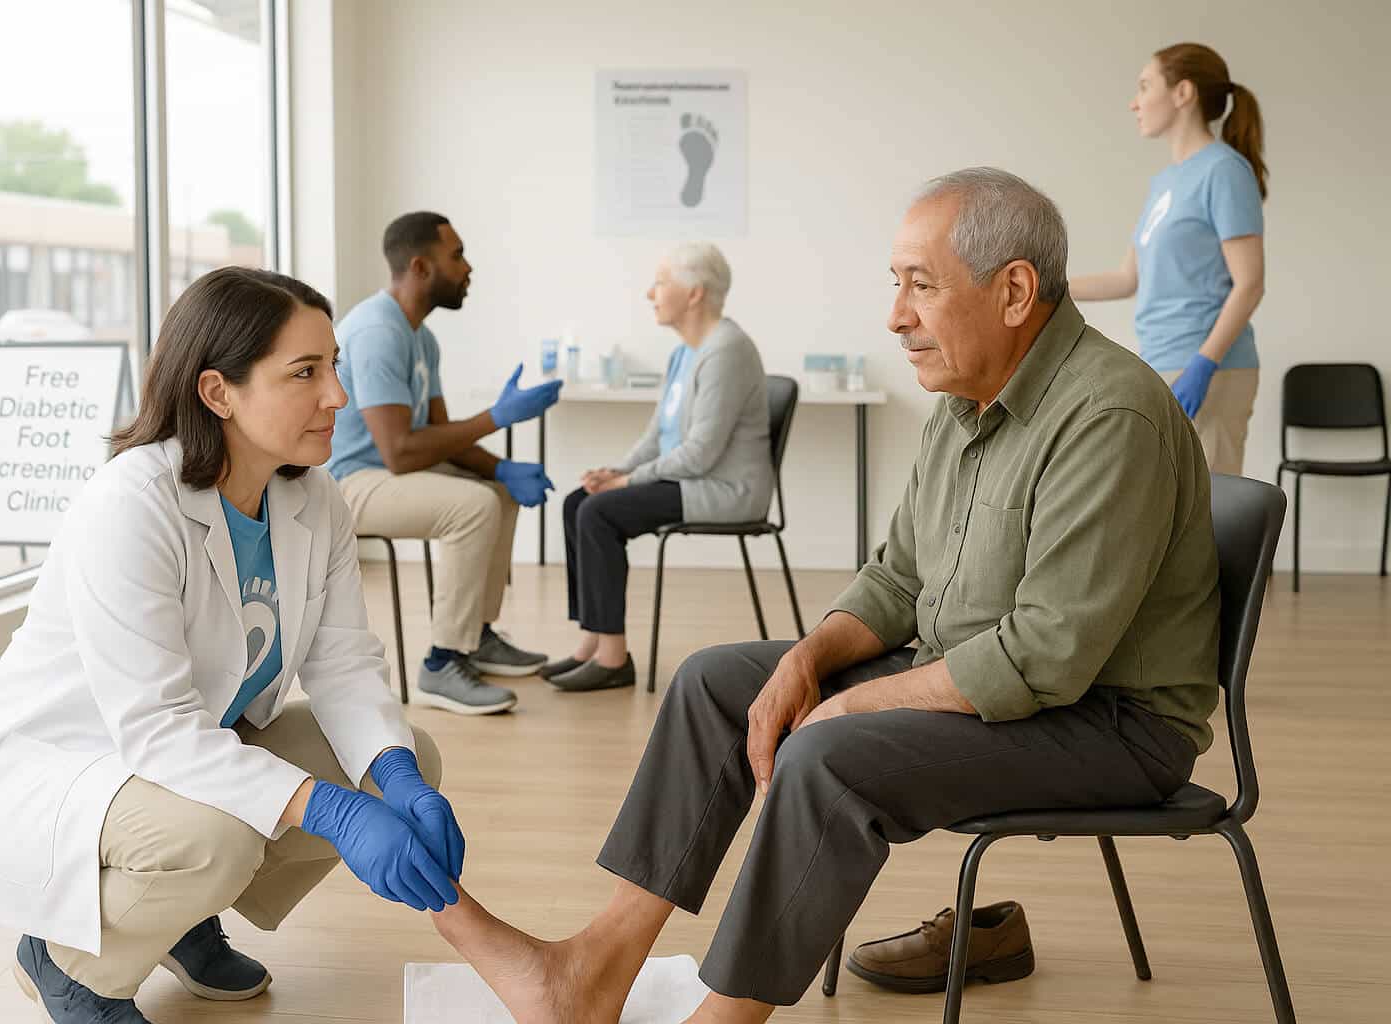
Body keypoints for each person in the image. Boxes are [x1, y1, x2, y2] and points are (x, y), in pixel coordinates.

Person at [425, 168, 1222, 1023]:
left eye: (921, 285)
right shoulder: (965, 404)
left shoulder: (1109, 414)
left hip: (1109, 726)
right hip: (993, 682)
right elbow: (896, 579)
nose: (896, 316)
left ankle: (724, 1018)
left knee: (827, 756)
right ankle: (594, 969)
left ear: (1016, 291)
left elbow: (1044, 658)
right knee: (717, 683)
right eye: (896, 284)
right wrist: (807, 662)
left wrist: (855, 708)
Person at [0, 268, 469, 1023]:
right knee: (217, 835)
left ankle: (179, 914)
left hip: (182, 755)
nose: (337, 397)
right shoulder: (131, 505)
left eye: (334, 368)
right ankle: (70, 964)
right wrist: (334, 815)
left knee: (401, 757)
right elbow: (155, 728)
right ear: (218, 392)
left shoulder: (314, 499)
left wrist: (397, 778)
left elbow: (344, 666)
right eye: (305, 373)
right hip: (69, 764)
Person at [327, 212, 560, 715]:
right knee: (473, 506)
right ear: (420, 267)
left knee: (493, 494)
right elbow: (400, 450)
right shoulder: (376, 333)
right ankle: (441, 663)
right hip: (347, 483)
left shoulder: (421, 338)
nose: (468, 267)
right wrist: (496, 417)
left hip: (389, 472)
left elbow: (439, 438)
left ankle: (474, 635)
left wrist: (500, 469)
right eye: (456, 256)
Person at [543, 243, 773, 692]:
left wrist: (626, 482)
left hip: (723, 489)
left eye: (661, 282)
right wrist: (614, 472)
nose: (651, 293)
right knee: (579, 501)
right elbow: (657, 435)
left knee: (598, 512)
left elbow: (701, 453)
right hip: (691, 479)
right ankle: (593, 639)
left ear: (694, 293)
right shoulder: (684, 353)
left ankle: (614, 660)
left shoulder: (727, 350)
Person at [1070, 42, 1267, 476]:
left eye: (1144, 86)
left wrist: (1204, 363)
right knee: (1165, 514)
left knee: (1210, 517)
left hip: (1209, 370)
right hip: (1160, 362)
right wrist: (1051, 287)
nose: (1133, 101)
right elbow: (1127, 278)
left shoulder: (1224, 171)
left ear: (1183, 93)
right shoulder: (1165, 183)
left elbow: (1250, 281)